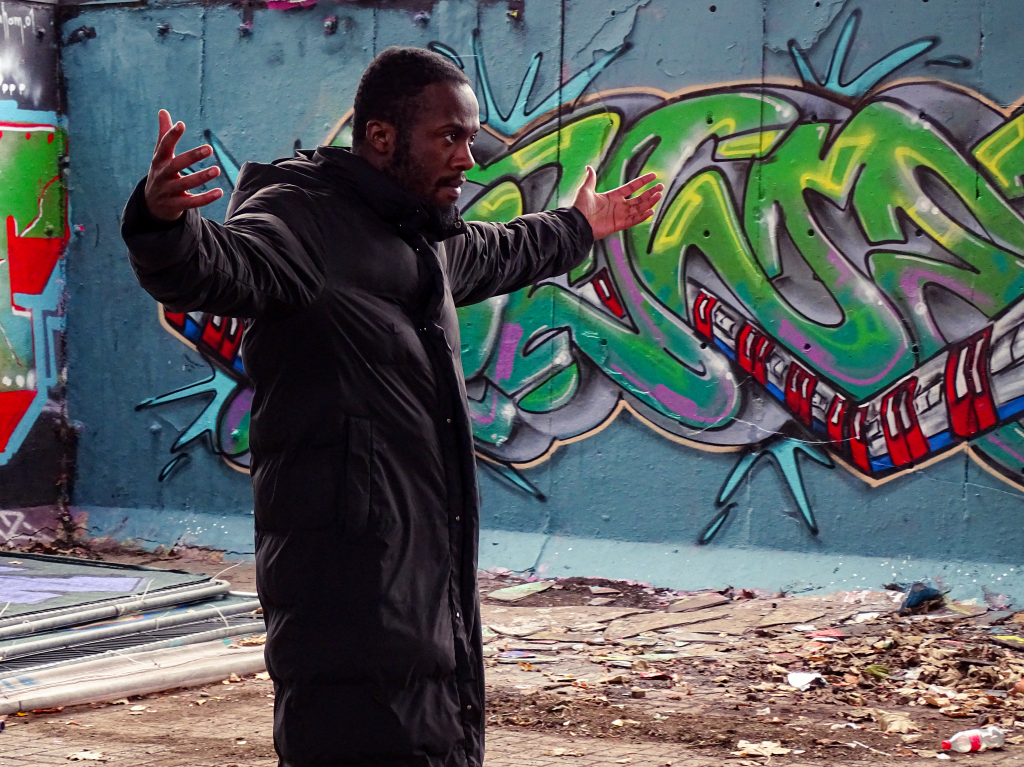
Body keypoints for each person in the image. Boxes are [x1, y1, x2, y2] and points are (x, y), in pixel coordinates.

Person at [122, 47, 662, 767]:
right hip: (345, 588)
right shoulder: (300, 223)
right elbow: (217, 266)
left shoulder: (415, 235)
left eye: (471, 137)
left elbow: (496, 252)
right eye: (449, 137)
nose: (467, 157)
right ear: (381, 136)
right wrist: (164, 225)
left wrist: (578, 228)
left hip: (420, 574)